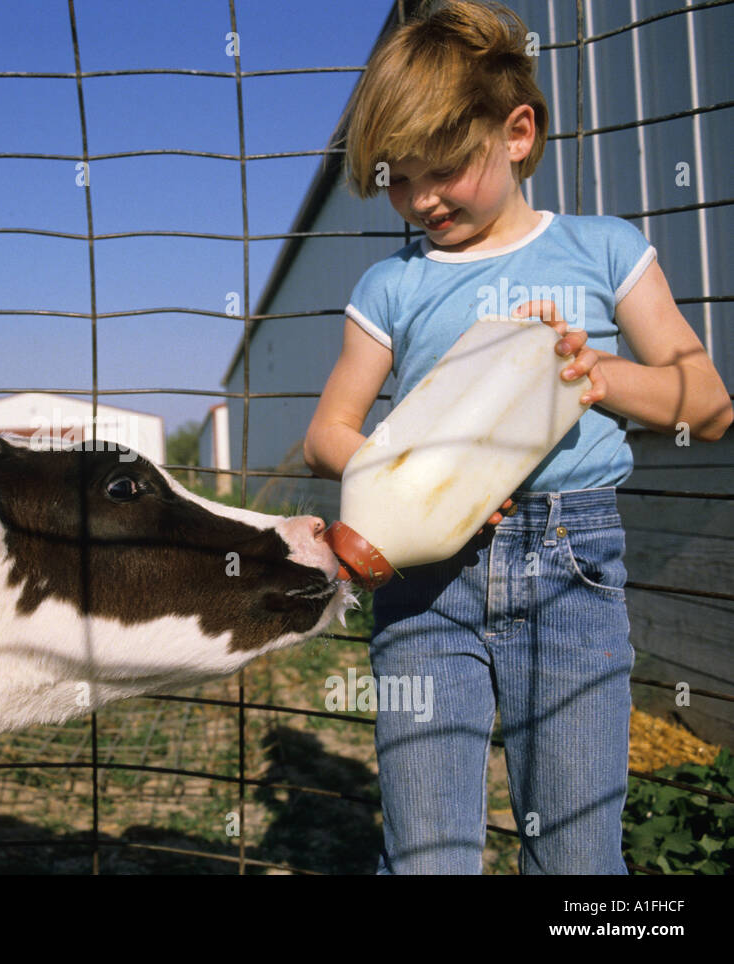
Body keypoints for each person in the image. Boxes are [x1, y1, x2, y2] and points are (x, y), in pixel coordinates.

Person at [302, 0, 732, 874]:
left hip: (572, 570)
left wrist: (594, 375)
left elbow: (709, 403)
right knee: (427, 857)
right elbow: (328, 435)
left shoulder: (603, 251)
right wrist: (413, 474)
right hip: (426, 583)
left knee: (577, 859)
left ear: (518, 132)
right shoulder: (392, 286)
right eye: (396, 176)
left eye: (446, 168)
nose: (420, 198)